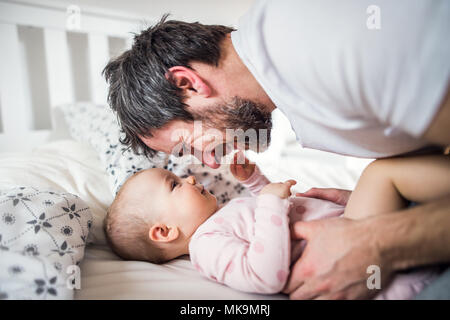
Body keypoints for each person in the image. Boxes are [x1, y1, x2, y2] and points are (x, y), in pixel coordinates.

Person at [103, 0, 450, 299]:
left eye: (187, 145)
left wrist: (376, 241)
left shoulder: (329, 53)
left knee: (380, 174)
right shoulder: (285, 70)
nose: (210, 162)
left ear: (187, 83)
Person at [104, 152, 449, 299]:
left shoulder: (219, 220)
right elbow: (264, 273)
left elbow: (261, 218)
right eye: (174, 185)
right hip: (357, 249)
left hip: (359, 232)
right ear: (164, 232)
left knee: (391, 173)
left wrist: (255, 182)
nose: (190, 178)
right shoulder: (205, 246)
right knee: (381, 173)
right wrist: (270, 200)